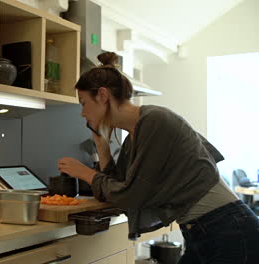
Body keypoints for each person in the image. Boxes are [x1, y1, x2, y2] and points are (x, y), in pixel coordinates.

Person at [57, 52, 259, 263]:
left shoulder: (155, 120)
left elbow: (130, 195)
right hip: (207, 229)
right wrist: (103, 147)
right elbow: (117, 189)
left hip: (228, 229)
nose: (82, 113)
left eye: (83, 103)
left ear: (102, 95)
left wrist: (85, 173)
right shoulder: (134, 136)